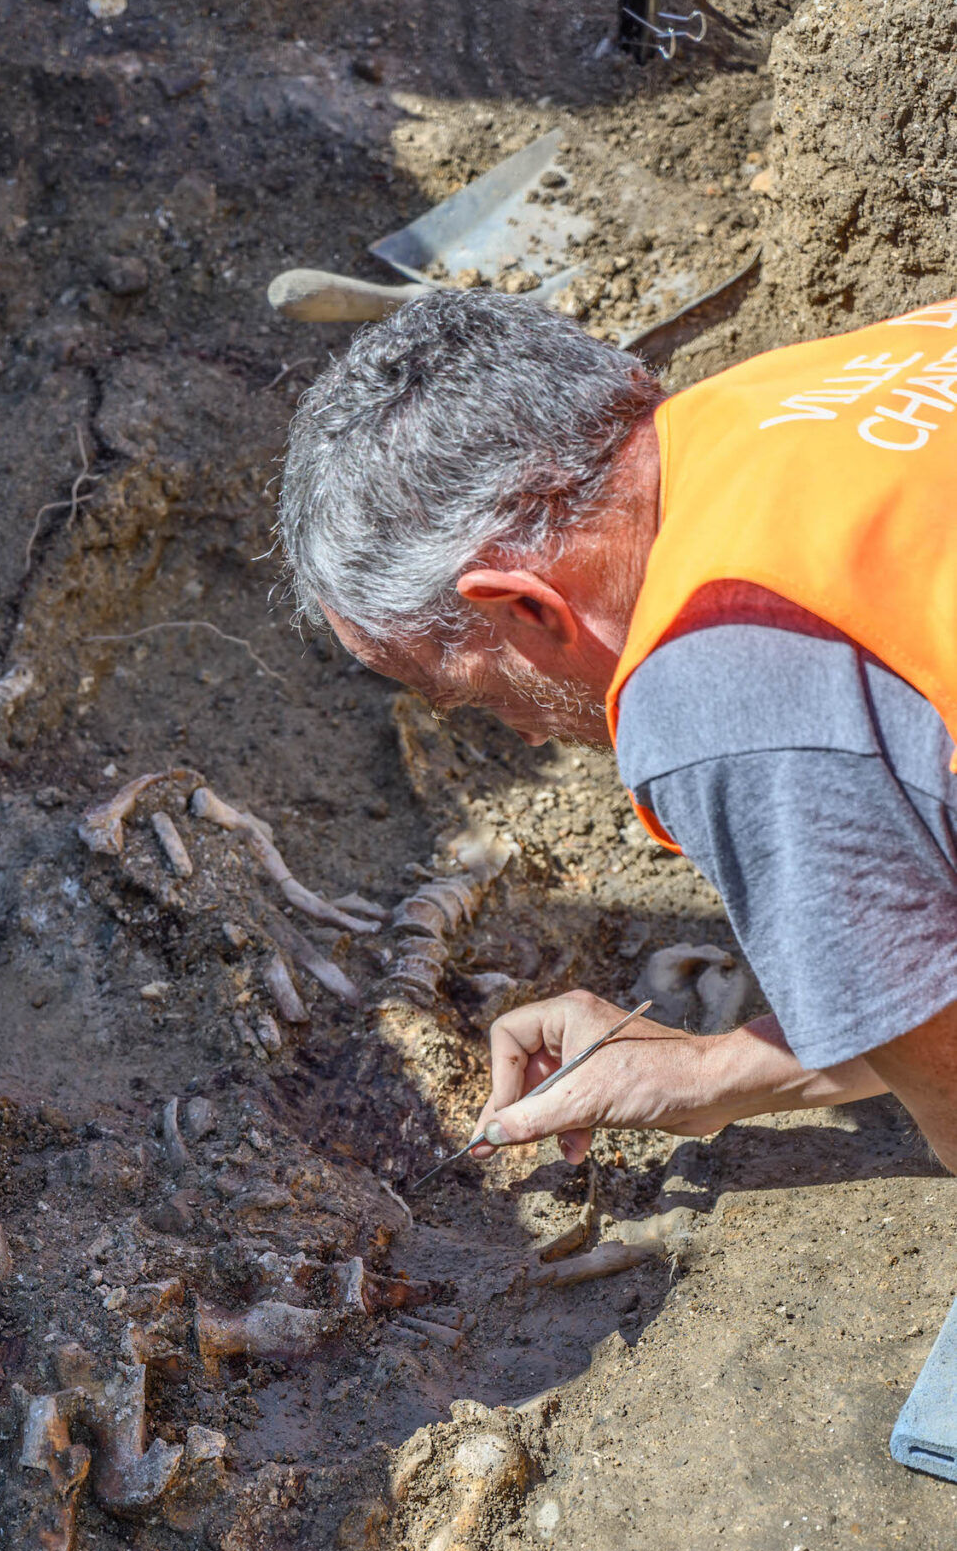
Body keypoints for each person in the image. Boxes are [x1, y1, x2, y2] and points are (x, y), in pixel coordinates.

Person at [276, 288, 957, 1176]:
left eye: (476, 697)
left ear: (522, 605)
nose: (525, 740)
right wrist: (720, 1070)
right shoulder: (795, 388)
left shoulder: (723, 697)